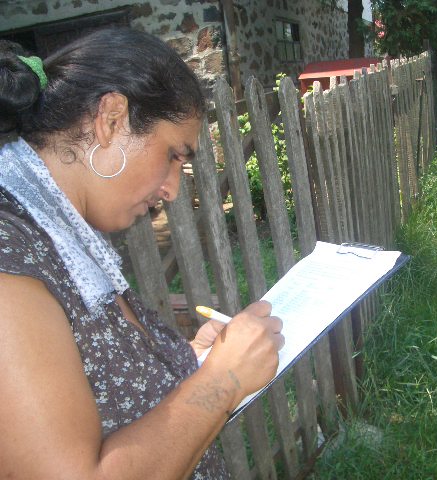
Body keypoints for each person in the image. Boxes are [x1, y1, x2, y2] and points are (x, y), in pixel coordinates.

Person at [0, 27, 284, 480]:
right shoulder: (9, 258)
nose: (172, 189)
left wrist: (190, 363)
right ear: (111, 118)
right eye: (173, 155)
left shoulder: (59, 233)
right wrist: (223, 381)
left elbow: (105, 391)